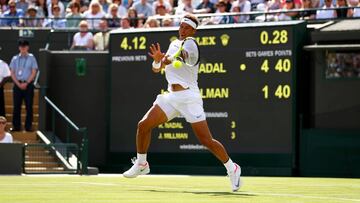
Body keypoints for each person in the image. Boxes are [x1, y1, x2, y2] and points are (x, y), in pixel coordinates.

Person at [123, 14, 242, 192]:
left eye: (186, 27)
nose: (182, 30)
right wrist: (157, 60)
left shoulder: (192, 45)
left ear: (193, 30)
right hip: (171, 97)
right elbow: (157, 69)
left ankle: (232, 168)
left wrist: (169, 59)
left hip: (189, 97)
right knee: (143, 125)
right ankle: (142, 164)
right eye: (181, 26)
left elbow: (184, 58)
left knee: (206, 140)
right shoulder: (173, 45)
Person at [9, 39, 38, 132]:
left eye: (25, 46)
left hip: (28, 85)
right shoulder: (14, 58)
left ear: (28, 47)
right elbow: (12, 73)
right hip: (17, 85)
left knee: (29, 106)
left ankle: (28, 126)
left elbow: (34, 72)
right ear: (19, 47)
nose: (23, 48)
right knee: (16, 106)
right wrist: (18, 84)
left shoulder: (32, 58)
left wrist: (26, 83)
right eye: (21, 46)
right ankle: (16, 126)